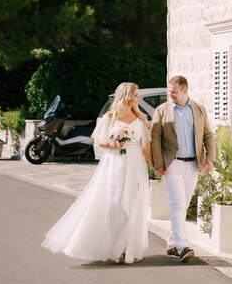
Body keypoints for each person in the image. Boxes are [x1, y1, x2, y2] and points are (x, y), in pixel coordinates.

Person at [42, 82, 153, 264]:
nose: (137, 98)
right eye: (135, 95)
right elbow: (99, 141)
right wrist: (113, 144)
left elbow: (145, 147)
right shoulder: (110, 117)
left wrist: (155, 167)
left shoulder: (141, 119)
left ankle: (124, 248)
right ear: (126, 96)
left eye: (138, 95)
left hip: (135, 165)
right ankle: (111, 247)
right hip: (115, 163)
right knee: (115, 204)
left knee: (132, 205)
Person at [151, 75, 215, 262]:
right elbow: (155, 137)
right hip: (173, 164)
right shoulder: (161, 110)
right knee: (178, 203)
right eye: (169, 91)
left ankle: (172, 244)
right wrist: (158, 163)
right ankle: (182, 246)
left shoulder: (199, 109)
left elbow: (208, 135)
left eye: (174, 92)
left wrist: (210, 158)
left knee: (183, 204)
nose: (170, 94)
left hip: (194, 164)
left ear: (185, 90)